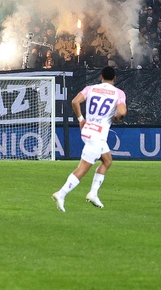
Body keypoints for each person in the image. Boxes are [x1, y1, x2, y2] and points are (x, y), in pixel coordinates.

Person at [52, 66, 126, 211]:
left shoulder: (90, 88)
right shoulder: (119, 93)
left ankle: (93, 193)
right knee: (83, 168)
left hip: (87, 130)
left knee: (107, 160)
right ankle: (61, 193)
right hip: (98, 135)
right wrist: (118, 117)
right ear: (115, 78)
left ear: (101, 77)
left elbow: (75, 101)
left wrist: (80, 118)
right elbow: (122, 111)